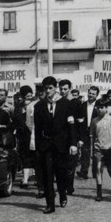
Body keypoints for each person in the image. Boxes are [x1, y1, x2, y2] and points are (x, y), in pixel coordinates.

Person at [33, 76, 78, 213]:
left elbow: (71, 126)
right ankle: (50, 204)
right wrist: (37, 147)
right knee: (47, 174)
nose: (48, 91)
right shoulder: (39, 106)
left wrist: (73, 144)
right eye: (45, 88)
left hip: (62, 145)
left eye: (50, 88)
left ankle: (63, 194)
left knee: (61, 173)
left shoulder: (65, 103)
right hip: (46, 145)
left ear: (55, 88)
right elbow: (37, 128)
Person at [90, 98, 111, 201]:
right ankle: (99, 193)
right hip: (98, 149)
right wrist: (92, 149)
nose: (99, 110)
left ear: (106, 108)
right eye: (97, 108)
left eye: (101, 107)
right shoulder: (94, 121)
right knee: (98, 169)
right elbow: (92, 136)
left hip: (110, 149)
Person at [58, 79, 80, 194]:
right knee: (62, 163)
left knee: (70, 163)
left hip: (72, 135)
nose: (63, 91)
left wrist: (78, 139)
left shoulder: (75, 102)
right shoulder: (59, 101)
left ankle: (69, 186)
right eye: (61, 89)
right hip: (61, 136)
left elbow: (79, 122)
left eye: (65, 89)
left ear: (70, 89)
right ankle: (64, 185)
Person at [12, 85, 36, 188]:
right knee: (24, 156)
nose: (29, 95)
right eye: (27, 94)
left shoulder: (36, 104)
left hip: (33, 134)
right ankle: (25, 179)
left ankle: (37, 178)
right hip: (22, 136)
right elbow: (15, 120)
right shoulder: (19, 106)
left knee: (35, 156)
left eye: (30, 93)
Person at [77, 86, 100, 179]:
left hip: (96, 132)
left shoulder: (99, 105)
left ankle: (95, 172)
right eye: (90, 93)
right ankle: (84, 172)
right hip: (85, 131)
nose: (91, 95)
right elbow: (79, 118)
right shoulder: (82, 105)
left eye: (93, 94)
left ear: (97, 95)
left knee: (95, 152)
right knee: (85, 152)